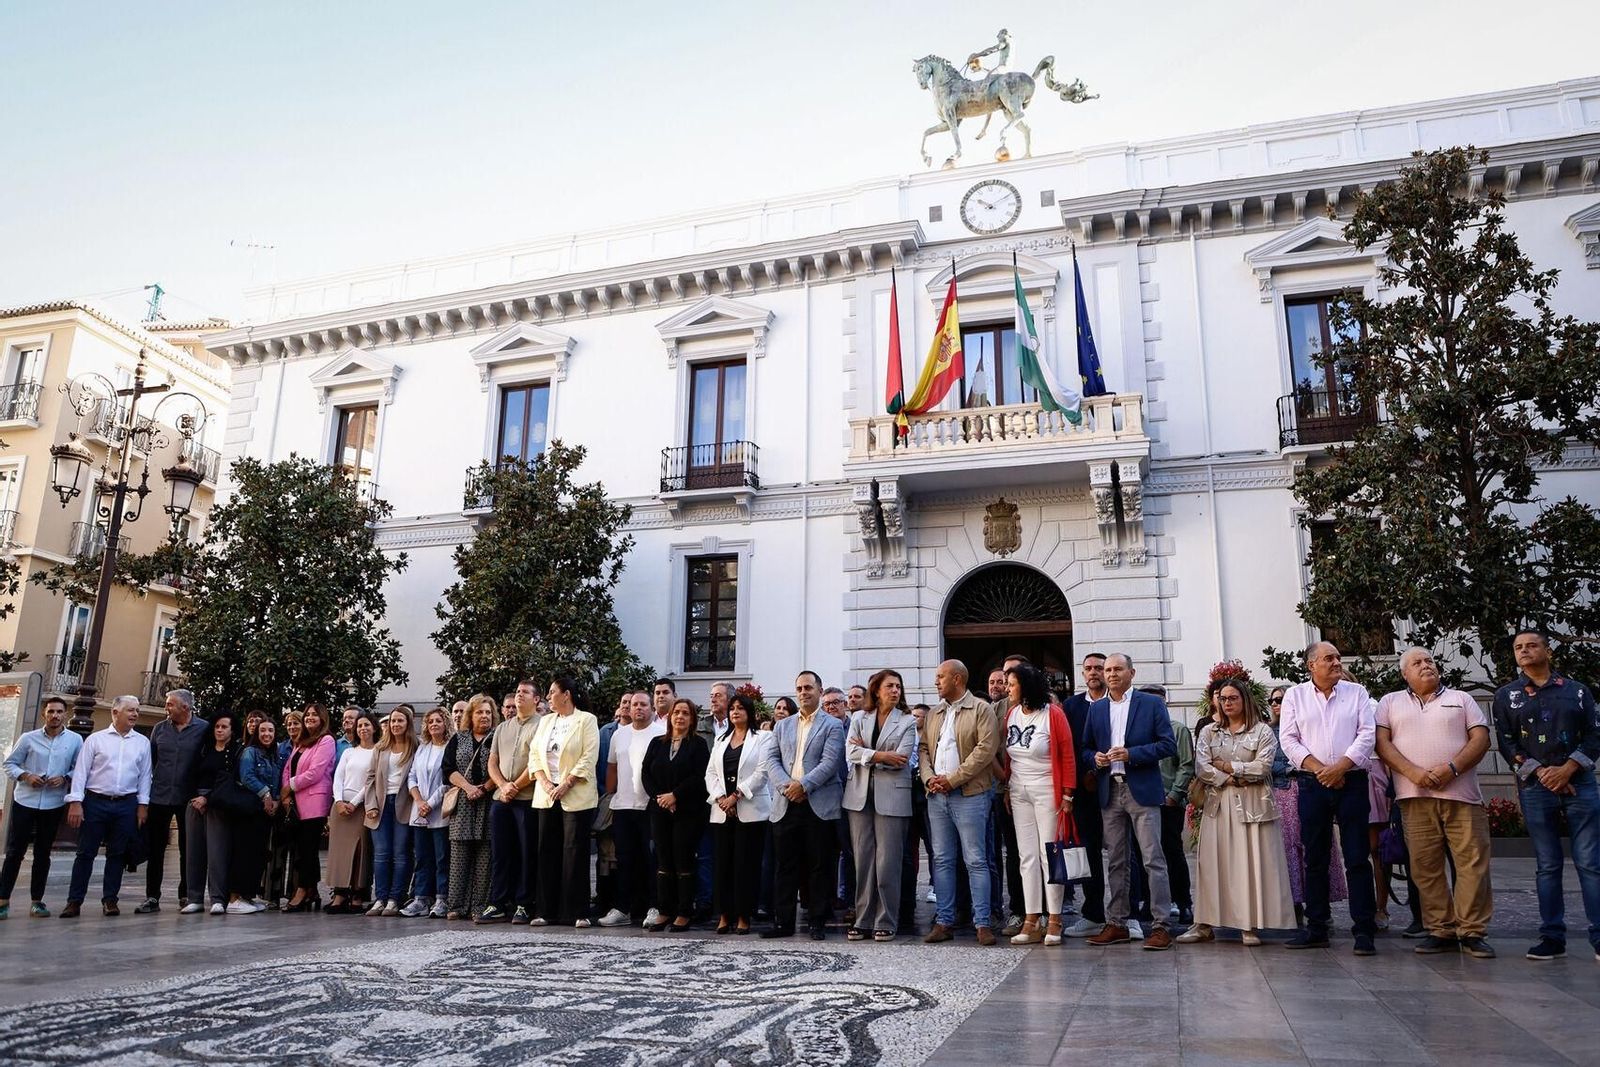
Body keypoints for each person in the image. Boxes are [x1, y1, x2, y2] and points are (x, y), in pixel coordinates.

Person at [1375, 648, 1495, 958]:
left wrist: (1452, 768)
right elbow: (1382, 744)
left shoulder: (1462, 699)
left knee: (1471, 864)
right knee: (1425, 867)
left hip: (1462, 796)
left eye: (1429, 661)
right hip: (1414, 798)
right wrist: (1413, 772)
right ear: (1405, 674)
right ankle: (1440, 929)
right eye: (1417, 663)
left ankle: (1472, 931)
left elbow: (1481, 738)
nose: (1426, 665)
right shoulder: (1390, 702)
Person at [1492, 628, 1599, 962]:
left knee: (1590, 863)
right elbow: (1507, 743)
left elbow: (1594, 736)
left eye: (1531, 645)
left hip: (1579, 783)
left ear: (1548, 652)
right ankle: (1552, 936)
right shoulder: (1506, 696)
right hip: (1536, 787)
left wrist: (1567, 769)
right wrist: (1542, 773)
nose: (1524, 651)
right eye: (1518, 647)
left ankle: (1598, 935)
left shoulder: (1577, 692)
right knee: (1548, 864)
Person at [1280, 642, 1379, 955]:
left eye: (1337, 657)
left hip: (1351, 782)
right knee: (1315, 858)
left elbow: (1367, 733)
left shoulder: (1357, 692)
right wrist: (1321, 769)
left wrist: (1341, 767)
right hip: (1313, 784)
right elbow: (1289, 739)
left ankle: (1364, 930)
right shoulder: (1295, 696)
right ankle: (1317, 927)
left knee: (1357, 857)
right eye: (1329, 658)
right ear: (1311, 665)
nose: (1337, 662)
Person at [1180, 680, 1295, 945]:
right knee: (1212, 864)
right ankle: (1204, 924)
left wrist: (1226, 766)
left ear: (1245, 700)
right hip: (1217, 805)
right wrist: (1233, 775)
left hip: (1253, 806)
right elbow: (1202, 767)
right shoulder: (1209, 731)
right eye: (1224, 698)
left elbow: (1263, 767)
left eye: (1233, 698)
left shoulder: (1262, 732)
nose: (1228, 702)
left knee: (1248, 864)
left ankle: (1248, 925)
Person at [1081, 653, 1178, 951]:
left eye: (1117, 669)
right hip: (1110, 791)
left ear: (1131, 673)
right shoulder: (1097, 709)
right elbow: (1085, 747)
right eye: (1107, 669)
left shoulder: (1150, 704)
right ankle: (1117, 923)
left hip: (1142, 791)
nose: (1111, 674)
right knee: (1117, 861)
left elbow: (1167, 745)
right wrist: (1094, 758)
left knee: (1152, 859)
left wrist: (1132, 754)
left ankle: (1161, 925)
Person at [920, 659, 999, 946]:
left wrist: (952, 779)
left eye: (940, 676)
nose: (936, 681)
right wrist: (929, 778)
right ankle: (943, 922)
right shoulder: (935, 713)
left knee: (975, 860)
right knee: (941, 860)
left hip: (970, 795)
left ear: (957, 679)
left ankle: (982, 923)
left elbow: (985, 750)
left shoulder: (981, 708)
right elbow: (925, 748)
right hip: (937, 796)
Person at [763, 670, 846, 940]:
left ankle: (816, 921)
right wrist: (788, 787)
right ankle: (783, 923)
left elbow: (831, 762)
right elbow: (772, 760)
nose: (803, 692)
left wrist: (804, 786)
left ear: (820, 691)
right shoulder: (782, 725)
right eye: (799, 688)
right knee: (785, 866)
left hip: (817, 804)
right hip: (786, 803)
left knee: (819, 865)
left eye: (808, 687)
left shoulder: (832, 725)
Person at [1000, 663, 1076, 946]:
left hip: (1048, 790)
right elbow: (1009, 756)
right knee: (1026, 857)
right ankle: (1031, 919)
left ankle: (1054, 918)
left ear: (1026, 686)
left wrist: (1068, 794)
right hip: (1019, 791)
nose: (1007, 688)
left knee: (1049, 855)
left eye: (1011, 684)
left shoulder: (1052, 715)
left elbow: (1067, 755)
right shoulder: (1011, 714)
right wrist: (1008, 786)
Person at [843, 669, 917, 942]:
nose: (895, 690)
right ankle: (862, 919)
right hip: (858, 796)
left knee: (888, 862)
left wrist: (869, 754)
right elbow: (850, 751)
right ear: (876, 690)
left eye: (898, 686)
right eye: (890, 686)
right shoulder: (860, 718)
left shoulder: (907, 721)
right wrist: (882, 755)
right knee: (863, 860)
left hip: (893, 796)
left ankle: (886, 919)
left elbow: (903, 758)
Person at [62, 696, 151, 917]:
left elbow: (145, 776)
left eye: (137, 711)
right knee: (85, 853)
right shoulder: (95, 740)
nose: (134, 714)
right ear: (115, 712)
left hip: (126, 804)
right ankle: (74, 902)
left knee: (118, 854)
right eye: (130, 710)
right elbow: (81, 772)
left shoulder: (142, 742)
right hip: (95, 802)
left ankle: (110, 900)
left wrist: (143, 805)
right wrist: (75, 802)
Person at [1, 696, 82, 918]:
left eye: (59, 712)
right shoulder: (28, 739)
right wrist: (26, 775)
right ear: (43, 715)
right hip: (25, 800)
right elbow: (9, 764)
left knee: (43, 853)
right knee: (15, 851)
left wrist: (65, 778)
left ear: (65, 714)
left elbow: (81, 769)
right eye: (51, 711)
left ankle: (37, 901)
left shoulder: (75, 740)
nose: (55, 715)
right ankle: (3, 899)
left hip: (53, 803)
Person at [530, 675, 601, 928]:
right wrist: (547, 784)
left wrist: (566, 783)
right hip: (547, 795)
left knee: (574, 852)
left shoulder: (586, 720)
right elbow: (534, 756)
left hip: (576, 795)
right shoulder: (545, 721)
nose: (548, 697)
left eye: (551, 692)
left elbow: (588, 756)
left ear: (566, 695)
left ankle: (576, 912)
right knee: (546, 851)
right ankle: (545, 911)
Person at [135, 688, 207, 914]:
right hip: (159, 796)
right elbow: (149, 764)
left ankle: (186, 894)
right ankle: (152, 897)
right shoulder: (159, 729)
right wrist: (144, 799)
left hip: (188, 799)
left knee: (189, 848)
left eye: (169, 704)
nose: (166, 708)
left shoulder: (204, 729)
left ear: (185, 707)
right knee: (155, 848)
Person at [477, 678, 541, 925]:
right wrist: (503, 785)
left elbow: (538, 762)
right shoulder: (503, 728)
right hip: (501, 799)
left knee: (526, 853)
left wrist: (516, 786)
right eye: (517, 691)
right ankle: (498, 902)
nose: (519, 695)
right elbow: (492, 761)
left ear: (536, 699)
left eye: (525, 692)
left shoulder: (542, 725)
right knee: (501, 853)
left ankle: (524, 904)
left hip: (527, 799)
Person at [642, 698, 710, 931]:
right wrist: (661, 798)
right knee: (663, 860)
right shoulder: (656, 743)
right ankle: (664, 910)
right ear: (670, 717)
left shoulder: (698, 745)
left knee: (683, 859)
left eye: (685, 713)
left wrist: (675, 796)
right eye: (676, 713)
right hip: (660, 809)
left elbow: (699, 777)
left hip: (688, 811)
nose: (679, 717)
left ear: (692, 719)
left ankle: (683, 911)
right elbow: (646, 774)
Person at [706, 692, 770, 934]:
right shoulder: (721, 740)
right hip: (722, 810)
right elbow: (710, 773)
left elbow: (762, 772)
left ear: (749, 712)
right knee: (722, 864)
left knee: (746, 865)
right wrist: (722, 798)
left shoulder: (763, 738)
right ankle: (724, 914)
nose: (735, 712)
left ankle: (744, 915)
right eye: (732, 708)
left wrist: (736, 796)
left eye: (740, 708)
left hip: (750, 809)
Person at [606, 691, 666, 928]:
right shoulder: (619, 735)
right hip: (623, 806)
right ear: (627, 709)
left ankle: (654, 906)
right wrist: (612, 792)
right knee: (624, 860)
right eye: (633, 705)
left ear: (652, 708)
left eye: (643, 704)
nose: (638, 708)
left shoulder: (661, 734)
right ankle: (622, 908)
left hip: (649, 806)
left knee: (651, 859)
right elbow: (611, 767)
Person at [1061, 653, 1110, 937]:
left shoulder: (1118, 703)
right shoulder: (1071, 706)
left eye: (1099, 668)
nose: (1094, 672)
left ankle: (1126, 915)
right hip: (1084, 789)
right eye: (1089, 668)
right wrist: (1082, 777)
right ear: (1082, 674)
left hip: (1117, 786)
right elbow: (1070, 748)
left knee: (1123, 853)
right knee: (1089, 852)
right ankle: (1093, 913)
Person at [182, 714, 250, 915]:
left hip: (218, 804)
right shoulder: (204, 749)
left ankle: (218, 898)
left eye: (224, 727)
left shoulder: (236, 752)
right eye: (217, 726)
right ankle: (194, 898)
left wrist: (208, 799)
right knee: (193, 851)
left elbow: (230, 780)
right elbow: (190, 775)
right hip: (195, 803)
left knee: (217, 853)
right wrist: (195, 797)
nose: (219, 730)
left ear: (232, 730)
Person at [445, 694, 497, 920]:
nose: (484, 716)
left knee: (485, 858)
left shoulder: (497, 738)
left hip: (488, 800)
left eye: (487, 712)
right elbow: (447, 768)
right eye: (479, 712)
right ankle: (455, 906)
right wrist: (468, 787)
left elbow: (502, 767)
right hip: (463, 804)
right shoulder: (459, 738)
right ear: (470, 715)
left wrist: (483, 789)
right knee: (459, 856)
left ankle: (479, 907)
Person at [281, 703, 336, 912]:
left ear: (323, 718)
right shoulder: (301, 742)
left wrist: (290, 787)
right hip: (296, 803)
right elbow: (288, 768)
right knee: (302, 850)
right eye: (308, 714)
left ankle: (302, 890)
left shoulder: (326, 740)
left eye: (315, 714)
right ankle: (311, 890)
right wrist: (286, 792)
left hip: (314, 802)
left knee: (308, 849)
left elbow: (316, 772)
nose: (310, 717)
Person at [366, 705, 419, 916]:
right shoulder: (380, 748)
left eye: (400, 721)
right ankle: (380, 898)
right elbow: (370, 779)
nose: (396, 725)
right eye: (393, 721)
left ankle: (395, 898)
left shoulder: (416, 747)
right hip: (380, 805)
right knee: (381, 854)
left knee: (401, 854)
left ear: (408, 724)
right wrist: (370, 805)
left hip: (404, 804)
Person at [986, 664, 1027, 939]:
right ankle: (1018, 910)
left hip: (1038, 790)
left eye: (1011, 675)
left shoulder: (1048, 707)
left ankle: (1047, 911)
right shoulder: (996, 710)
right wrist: (1006, 781)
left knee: (1039, 854)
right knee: (1012, 853)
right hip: (1005, 790)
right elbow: (990, 747)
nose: (1005, 681)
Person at [403, 707, 453, 918]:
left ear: (445, 724)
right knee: (422, 857)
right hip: (419, 810)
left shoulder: (449, 747)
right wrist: (419, 800)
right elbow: (412, 776)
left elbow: (447, 780)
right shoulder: (422, 748)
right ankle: (421, 898)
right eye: (430, 721)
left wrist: (430, 804)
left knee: (442, 857)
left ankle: (442, 898)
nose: (434, 724)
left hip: (438, 810)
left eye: (438, 721)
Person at [326, 711, 378, 914]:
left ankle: (357, 894)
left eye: (366, 725)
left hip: (361, 806)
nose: (362, 729)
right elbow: (337, 778)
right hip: (340, 806)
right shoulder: (348, 752)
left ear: (374, 728)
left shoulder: (378, 752)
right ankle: (339, 894)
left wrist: (354, 803)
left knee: (360, 851)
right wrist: (338, 801)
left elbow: (371, 781)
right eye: (359, 726)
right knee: (339, 852)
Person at [235, 718, 282, 912]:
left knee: (259, 854)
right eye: (263, 730)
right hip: (251, 809)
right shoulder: (250, 752)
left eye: (271, 730)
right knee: (246, 853)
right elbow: (247, 777)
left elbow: (277, 781)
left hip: (266, 812)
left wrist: (275, 800)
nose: (267, 734)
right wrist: (267, 795)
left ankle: (249, 895)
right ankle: (237, 896)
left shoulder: (273, 756)